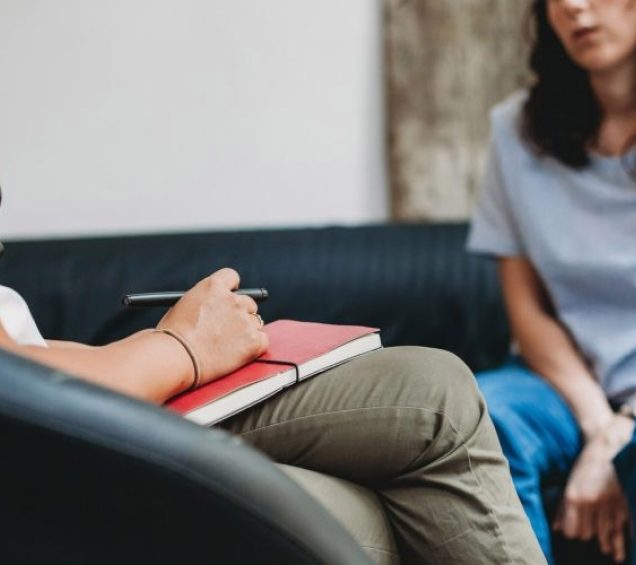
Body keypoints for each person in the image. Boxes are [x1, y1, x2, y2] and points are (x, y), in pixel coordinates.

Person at [0, 192, 545, 563]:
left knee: (428, 391)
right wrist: (183, 346)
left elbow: (25, 352)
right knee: (380, 483)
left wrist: (155, 349)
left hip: (71, 420)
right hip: (47, 459)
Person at [468, 0, 636, 563]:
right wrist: (600, 428)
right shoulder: (515, 131)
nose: (574, 6)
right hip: (563, 382)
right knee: (477, 420)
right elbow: (528, 310)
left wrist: (627, 428)